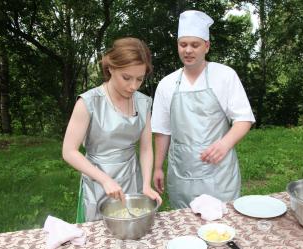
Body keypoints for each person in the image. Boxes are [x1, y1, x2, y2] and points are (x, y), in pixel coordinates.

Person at [151, 10, 256, 209]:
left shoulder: (224, 75)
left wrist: (225, 144)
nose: (188, 50)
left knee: (221, 229)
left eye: (195, 45)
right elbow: (162, 131)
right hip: (182, 173)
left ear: (206, 46)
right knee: (185, 228)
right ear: (178, 46)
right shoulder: (167, 84)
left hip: (218, 173)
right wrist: (157, 167)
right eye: (183, 45)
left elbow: (244, 119)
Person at [62, 37, 162, 222]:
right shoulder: (89, 102)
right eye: (126, 78)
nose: (133, 86)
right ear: (110, 68)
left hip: (132, 177)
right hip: (98, 180)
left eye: (139, 79)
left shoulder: (143, 102)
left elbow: (147, 148)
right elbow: (69, 152)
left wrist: (146, 184)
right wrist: (105, 180)